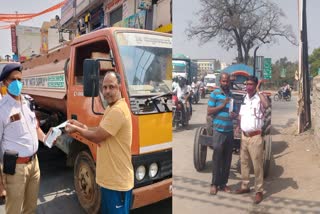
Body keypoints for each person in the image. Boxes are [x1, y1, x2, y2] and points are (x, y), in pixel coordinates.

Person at [65, 71, 134, 214]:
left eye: (111, 87)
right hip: (110, 180)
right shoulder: (111, 107)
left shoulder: (118, 111)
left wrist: (76, 129)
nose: (107, 91)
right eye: (105, 87)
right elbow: (100, 130)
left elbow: (97, 136)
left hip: (117, 182)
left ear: (120, 87)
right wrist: (81, 125)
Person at [0, 63, 48, 213]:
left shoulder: (28, 102)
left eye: (20, 80)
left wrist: (46, 138)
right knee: (14, 209)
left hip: (34, 164)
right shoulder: (2, 109)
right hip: (15, 168)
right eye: (13, 80)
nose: (17, 83)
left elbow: (35, 127)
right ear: (5, 83)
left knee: (31, 208)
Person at [235, 76, 270, 204]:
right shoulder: (245, 98)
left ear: (255, 85)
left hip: (255, 137)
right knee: (244, 163)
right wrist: (238, 127)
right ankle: (245, 186)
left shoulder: (260, 98)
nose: (248, 87)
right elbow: (241, 115)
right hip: (244, 136)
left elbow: (266, 106)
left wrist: (258, 90)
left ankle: (259, 191)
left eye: (251, 84)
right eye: (247, 84)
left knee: (257, 165)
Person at [208, 73, 237, 195]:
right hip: (218, 131)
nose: (226, 83)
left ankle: (223, 184)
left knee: (227, 159)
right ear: (220, 81)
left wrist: (233, 114)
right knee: (217, 158)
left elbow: (233, 111)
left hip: (229, 131)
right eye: (224, 81)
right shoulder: (214, 94)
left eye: (227, 81)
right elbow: (209, 111)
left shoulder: (231, 95)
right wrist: (222, 105)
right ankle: (214, 184)